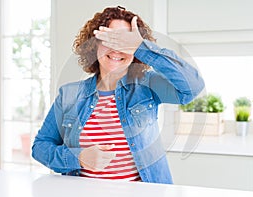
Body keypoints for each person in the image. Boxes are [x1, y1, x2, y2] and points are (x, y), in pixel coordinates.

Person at [32, 6, 205, 184]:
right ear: (94, 44)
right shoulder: (69, 94)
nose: (117, 49)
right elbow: (40, 147)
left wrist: (141, 47)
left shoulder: (148, 86)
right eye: (110, 40)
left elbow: (193, 87)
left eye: (124, 43)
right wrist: (78, 158)